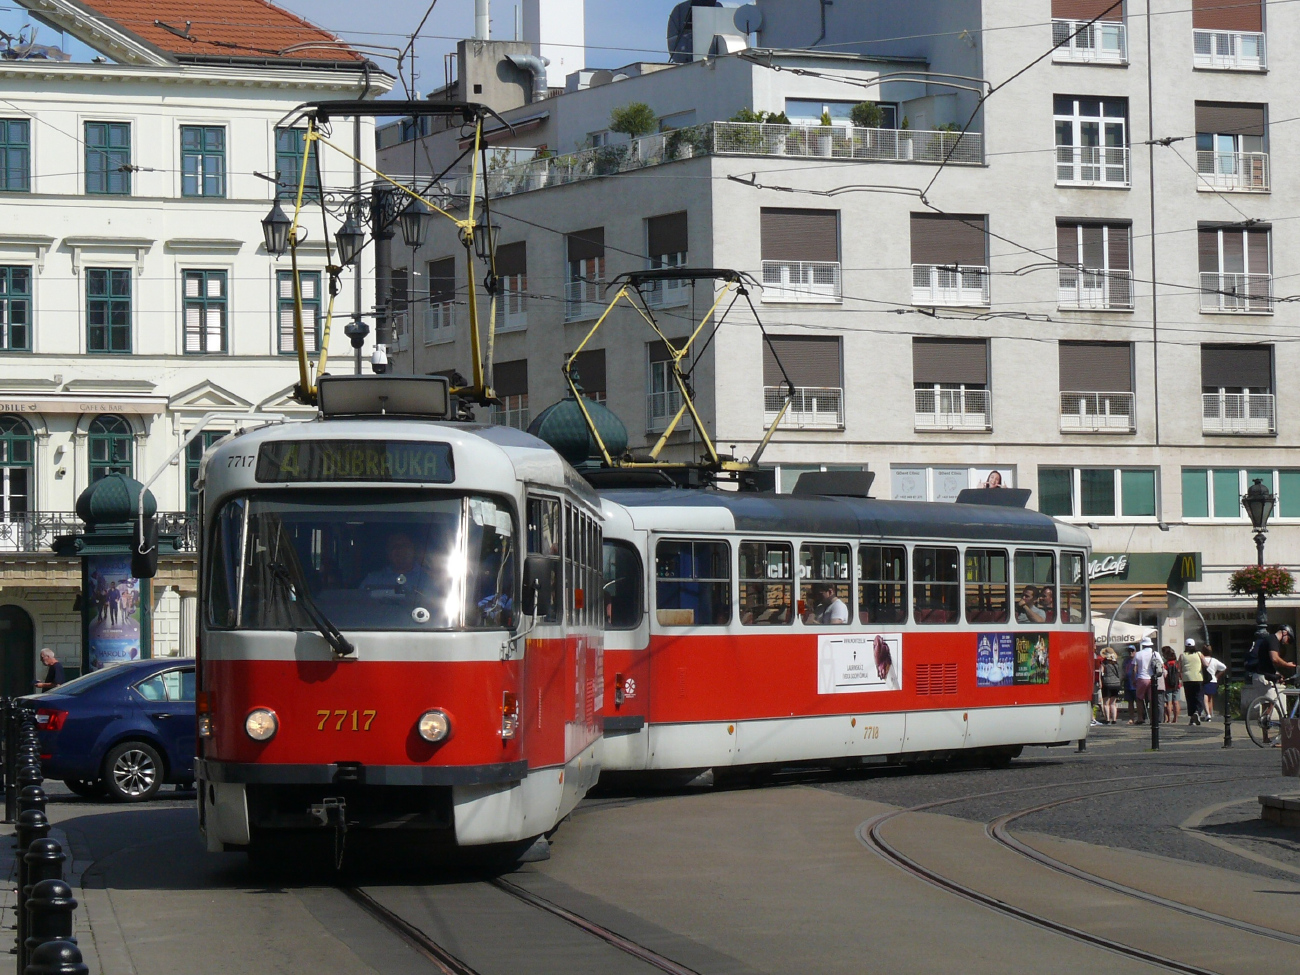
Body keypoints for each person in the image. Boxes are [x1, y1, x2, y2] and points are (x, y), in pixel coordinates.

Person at [361, 532, 427, 593]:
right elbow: (359, 602)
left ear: (413, 549)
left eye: (404, 546)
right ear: (388, 552)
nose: (400, 550)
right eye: (394, 546)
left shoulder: (430, 579)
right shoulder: (372, 581)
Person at [1133, 639, 1159, 724]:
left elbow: (1134, 669)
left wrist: (1134, 679)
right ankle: (1152, 719)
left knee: (1139, 699)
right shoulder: (1155, 653)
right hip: (1153, 679)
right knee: (1152, 700)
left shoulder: (1138, 654)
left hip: (1141, 678)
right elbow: (1160, 665)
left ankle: (1140, 718)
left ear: (1143, 645)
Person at [1180, 638, 1204, 726]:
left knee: (1190, 699)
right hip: (1198, 678)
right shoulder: (1199, 654)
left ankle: (1192, 718)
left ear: (1186, 646)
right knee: (1199, 697)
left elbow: (1179, 669)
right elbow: (1206, 664)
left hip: (1187, 679)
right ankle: (1197, 712)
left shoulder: (1182, 655)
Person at [1201, 650, 1227, 720]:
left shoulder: (1201, 659)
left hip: (1204, 680)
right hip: (1213, 680)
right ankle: (1210, 713)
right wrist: (1217, 676)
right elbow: (1224, 667)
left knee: (1205, 697)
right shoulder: (1214, 660)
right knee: (1210, 698)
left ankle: (1207, 714)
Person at [1100, 647, 1122, 724]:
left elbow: (1101, 674)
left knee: (1106, 703)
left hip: (1107, 683)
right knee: (1113, 703)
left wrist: (1100, 682)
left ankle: (1107, 719)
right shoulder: (1116, 664)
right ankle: (1114, 719)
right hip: (1116, 683)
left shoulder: (1104, 663)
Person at [1161, 646, 1181, 725]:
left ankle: (1169, 719)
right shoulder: (1177, 663)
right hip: (1176, 685)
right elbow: (1180, 673)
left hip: (1167, 685)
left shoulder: (1165, 664)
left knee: (1168, 703)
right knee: (1176, 702)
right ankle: (1175, 719)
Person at [1123, 644, 1138, 722]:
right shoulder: (1126, 660)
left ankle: (1139, 717)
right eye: (1129, 651)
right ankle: (1131, 718)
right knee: (1130, 702)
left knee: (1138, 701)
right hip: (1128, 683)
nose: (1130, 652)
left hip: (1136, 684)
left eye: (1132, 651)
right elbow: (1124, 670)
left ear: (1135, 652)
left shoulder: (1137, 659)